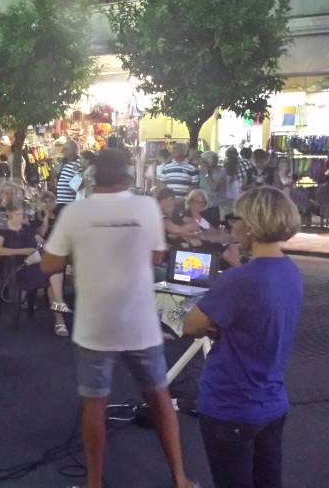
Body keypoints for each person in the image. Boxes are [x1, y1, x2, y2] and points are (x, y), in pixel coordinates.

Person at [41, 149, 197, 488]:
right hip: (139, 321)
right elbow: (156, 253)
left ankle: (94, 483)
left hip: (94, 324)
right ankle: (180, 478)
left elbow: (49, 265)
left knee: (94, 404)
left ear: (94, 177)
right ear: (128, 175)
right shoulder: (145, 207)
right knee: (159, 398)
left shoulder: (75, 212)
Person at [183, 186, 303, 488]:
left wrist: (217, 324)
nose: (230, 224)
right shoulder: (290, 271)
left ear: (250, 225)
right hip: (272, 402)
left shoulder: (240, 280)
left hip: (230, 404)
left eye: (234, 218)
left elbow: (191, 325)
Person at [0, 202, 71, 336]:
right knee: (52, 276)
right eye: (18, 214)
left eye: (23, 214)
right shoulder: (2, 230)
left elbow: (41, 241)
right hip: (16, 269)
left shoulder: (26, 228)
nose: (22, 217)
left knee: (53, 271)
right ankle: (60, 316)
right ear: (9, 214)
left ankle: (60, 317)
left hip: (34, 265)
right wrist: (23, 251)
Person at [181, 190, 243, 269]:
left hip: (214, 240)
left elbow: (213, 230)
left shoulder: (205, 216)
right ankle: (238, 267)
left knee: (229, 241)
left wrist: (219, 231)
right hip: (204, 244)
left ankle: (237, 265)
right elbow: (196, 235)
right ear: (191, 201)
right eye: (197, 202)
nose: (200, 205)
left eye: (202, 202)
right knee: (219, 245)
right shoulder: (187, 218)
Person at [199, 151, 227, 226]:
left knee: (213, 228)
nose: (201, 163)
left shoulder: (221, 171)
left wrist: (208, 174)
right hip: (202, 205)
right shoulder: (201, 171)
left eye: (203, 161)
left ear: (209, 162)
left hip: (214, 206)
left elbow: (214, 187)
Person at [55, 140, 81, 210]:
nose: (62, 151)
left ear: (73, 150)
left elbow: (79, 183)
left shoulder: (79, 163)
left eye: (65, 149)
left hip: (70, 203)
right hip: (61, 202)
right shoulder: (64, 163)